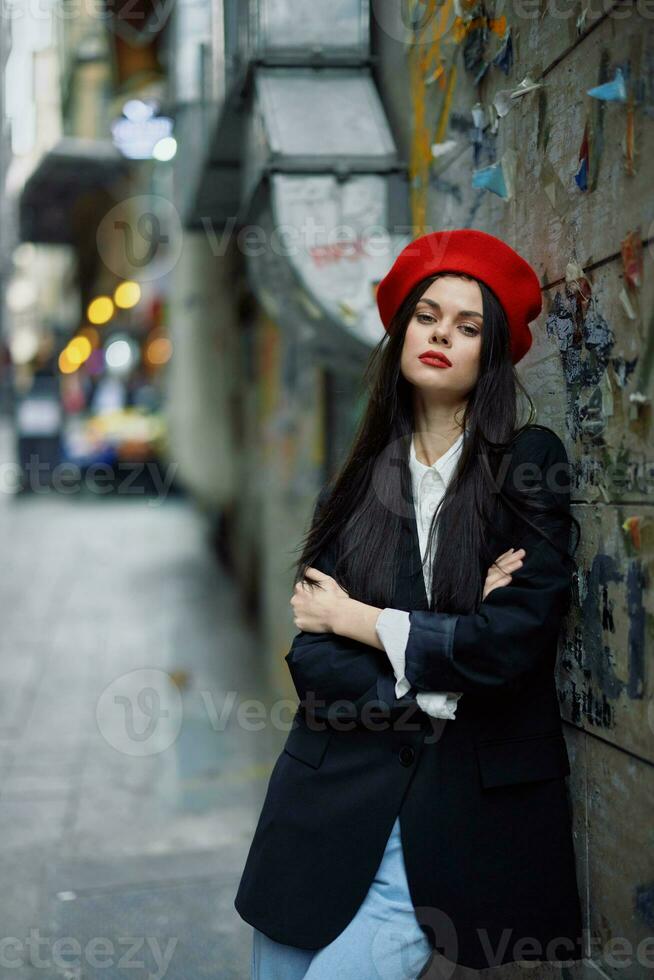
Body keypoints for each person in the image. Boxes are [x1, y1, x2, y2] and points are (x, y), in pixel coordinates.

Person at [234, 228, 584, 979]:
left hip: (458, 814)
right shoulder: (355, 486)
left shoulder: (528, 464)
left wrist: (362, 622)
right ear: (402, 331)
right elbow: (313, 654)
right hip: (329, 800)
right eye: (428, 317)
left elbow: (512, 642)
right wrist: (447, 655)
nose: (441, 336)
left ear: (491, 354)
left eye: (468, 327)